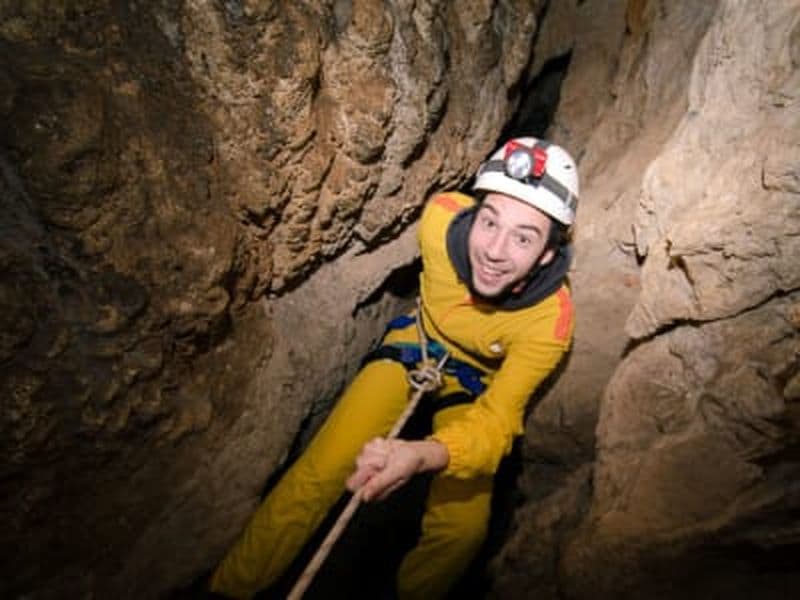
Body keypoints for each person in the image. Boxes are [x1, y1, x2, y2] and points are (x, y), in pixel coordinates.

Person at [209, 136, 579, 599]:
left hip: (478, 382)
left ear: (547, 254)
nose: (494, 251)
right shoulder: (440, 222)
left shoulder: (550, 321)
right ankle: (229, 592)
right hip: (416, 343)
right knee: (322, 470)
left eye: (523, 238)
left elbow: (497, 423)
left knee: (461, 531)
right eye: (490, 222)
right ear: (475, 212)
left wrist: (422, 454)